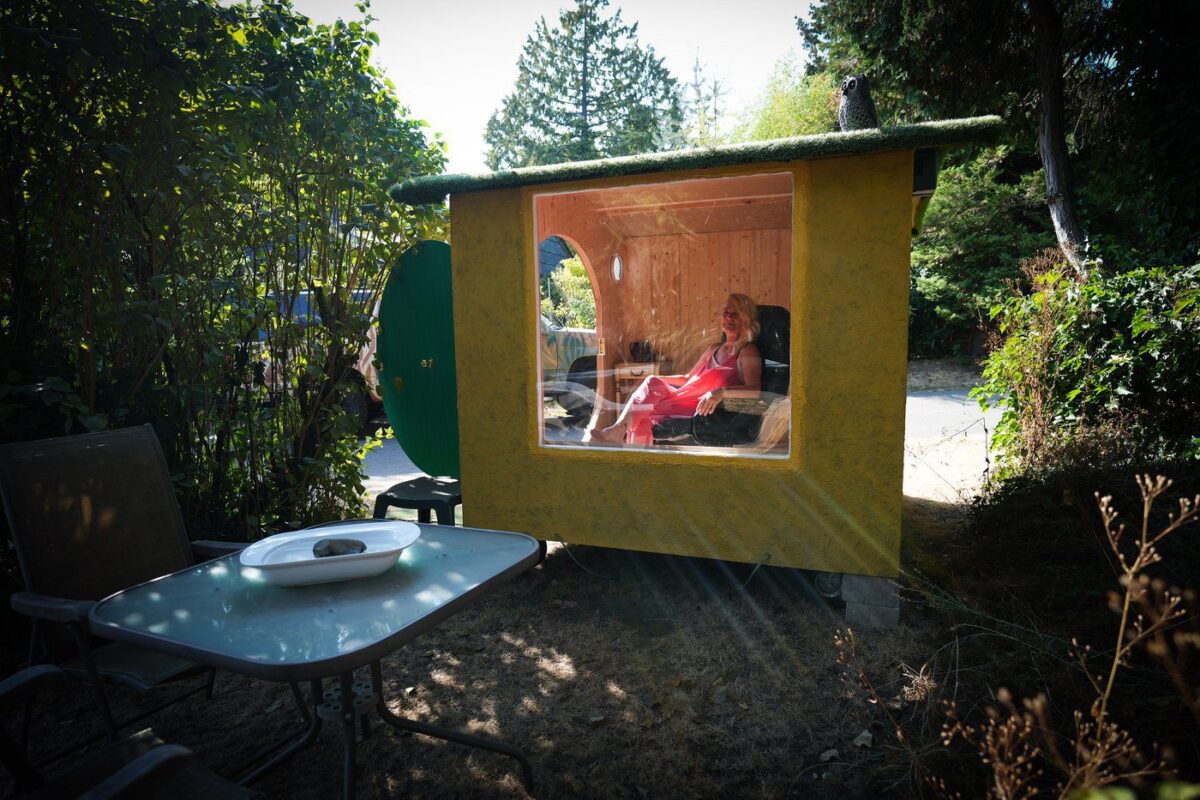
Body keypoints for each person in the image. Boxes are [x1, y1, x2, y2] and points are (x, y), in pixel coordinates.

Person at [590, 293, 763, 446]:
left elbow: (756, 391)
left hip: (701, 409)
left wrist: (720, 393)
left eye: (735, 314)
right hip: (681, 398)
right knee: (651, 386)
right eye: (726, 312)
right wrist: (654, 377)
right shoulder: (714, 349)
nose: (729, 317)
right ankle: (632, 453)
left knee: (644, 412)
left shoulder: (747, 351)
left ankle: (618, 433)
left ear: (745, 319)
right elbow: (687, 378)